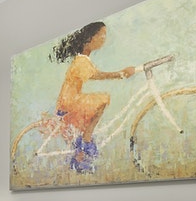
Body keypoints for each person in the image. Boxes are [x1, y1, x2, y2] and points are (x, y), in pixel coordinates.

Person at [50, 21, 135, 172]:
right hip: (69, 101)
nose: (103, 38)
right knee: (102, 99)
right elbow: (96, 75)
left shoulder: (84, 59)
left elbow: (95, 74)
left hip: (70, 99)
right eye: (101, 35)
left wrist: (120, 74)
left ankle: (81, 153)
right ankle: (86, 138)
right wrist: (120, 74)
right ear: (90, 38)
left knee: (100, 101)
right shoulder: (81, 60)